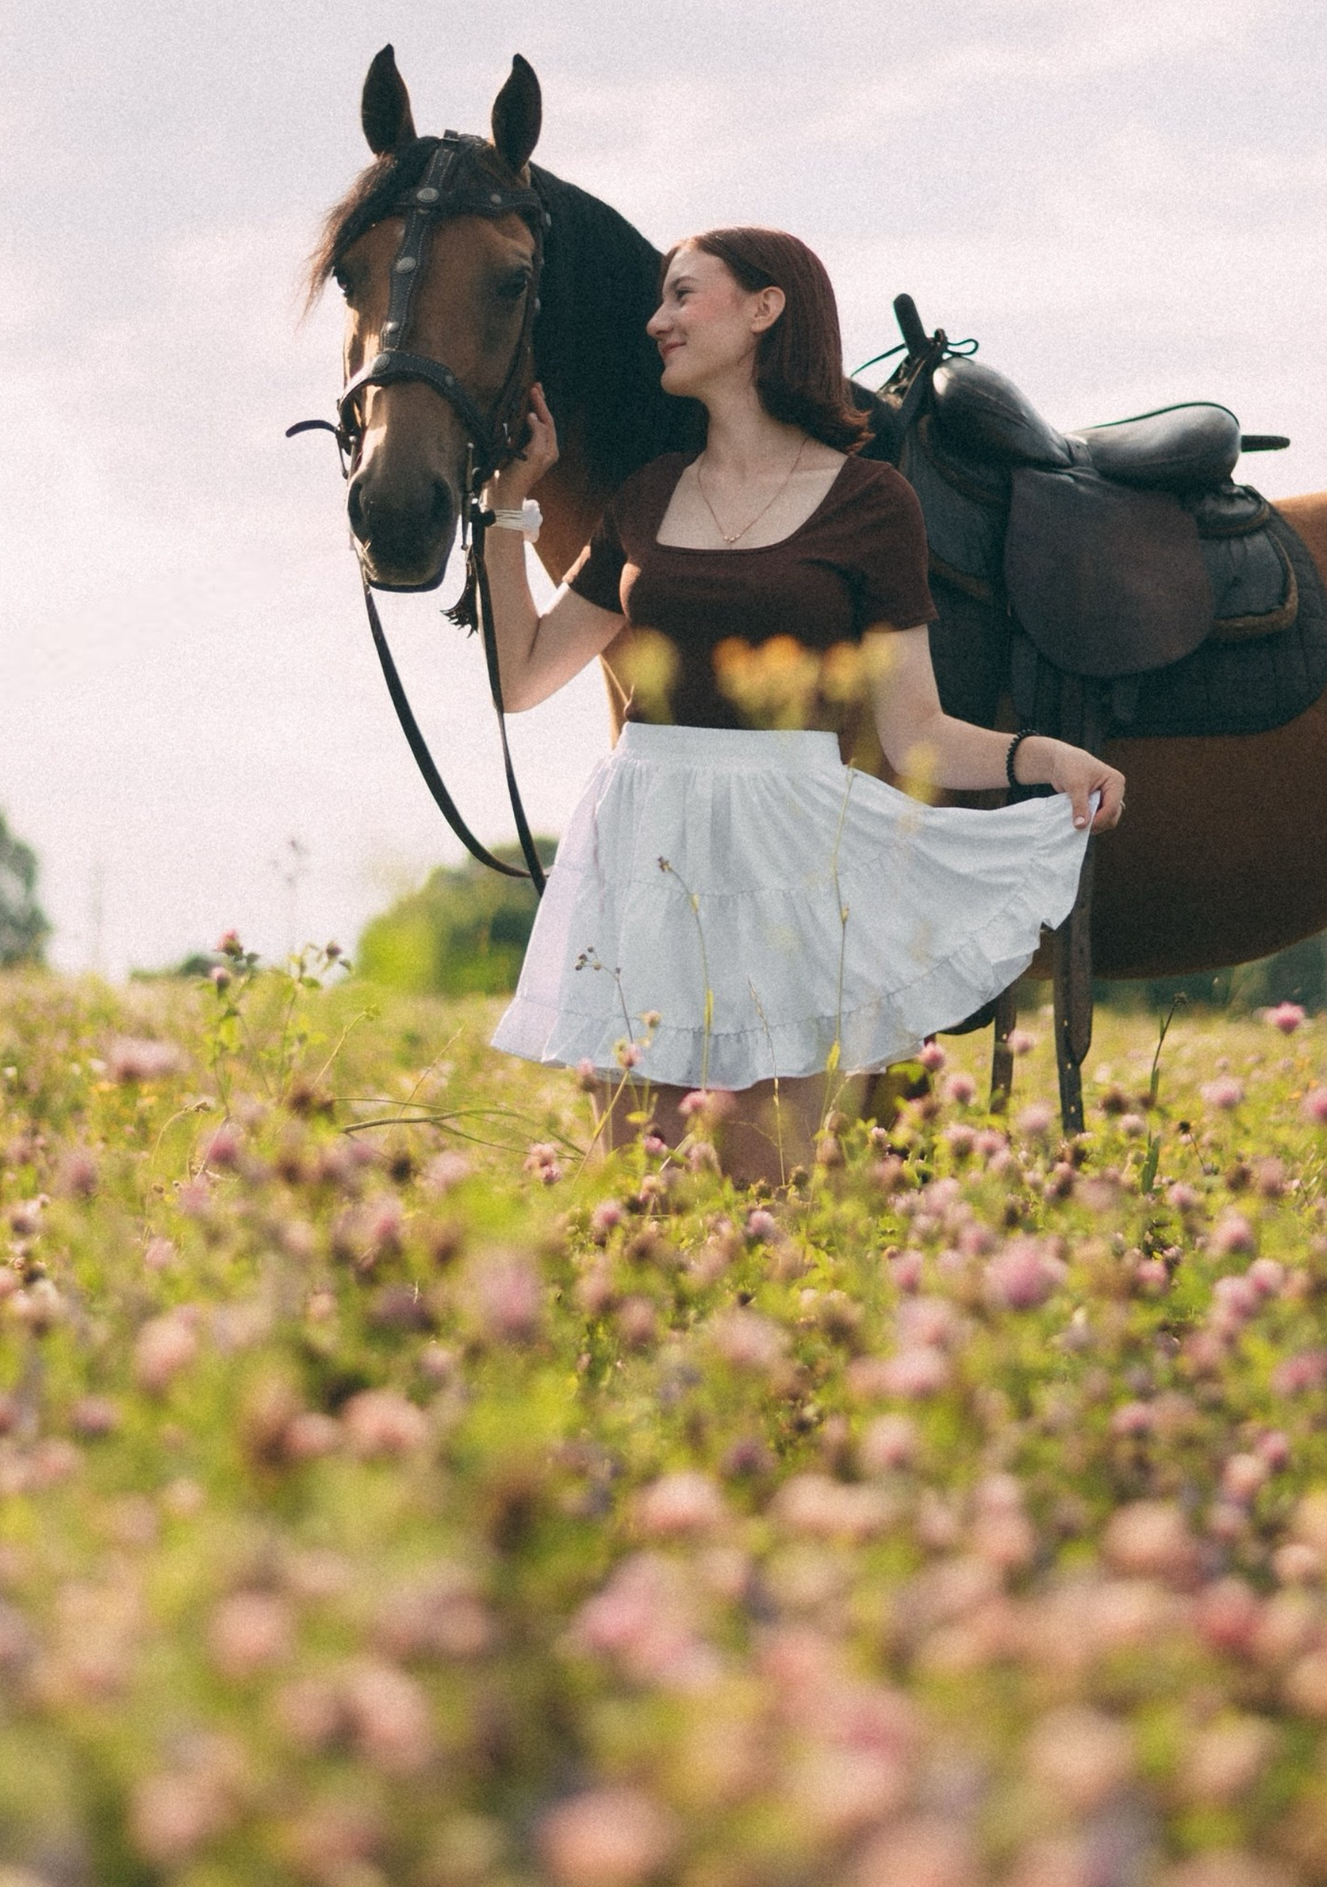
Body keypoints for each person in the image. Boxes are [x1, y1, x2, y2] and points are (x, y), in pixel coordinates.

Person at [482, 225, 1125, 1183]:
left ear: (765, 307)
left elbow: (916, 733)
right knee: (633, 1189)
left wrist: (1042, 756)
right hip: (644, 853)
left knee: (763, 1187)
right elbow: (522, 674)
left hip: (789, 857)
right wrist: (505, 510)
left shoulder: (871, 501)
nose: (656, 321)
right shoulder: (647, 492)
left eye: (682, 295)